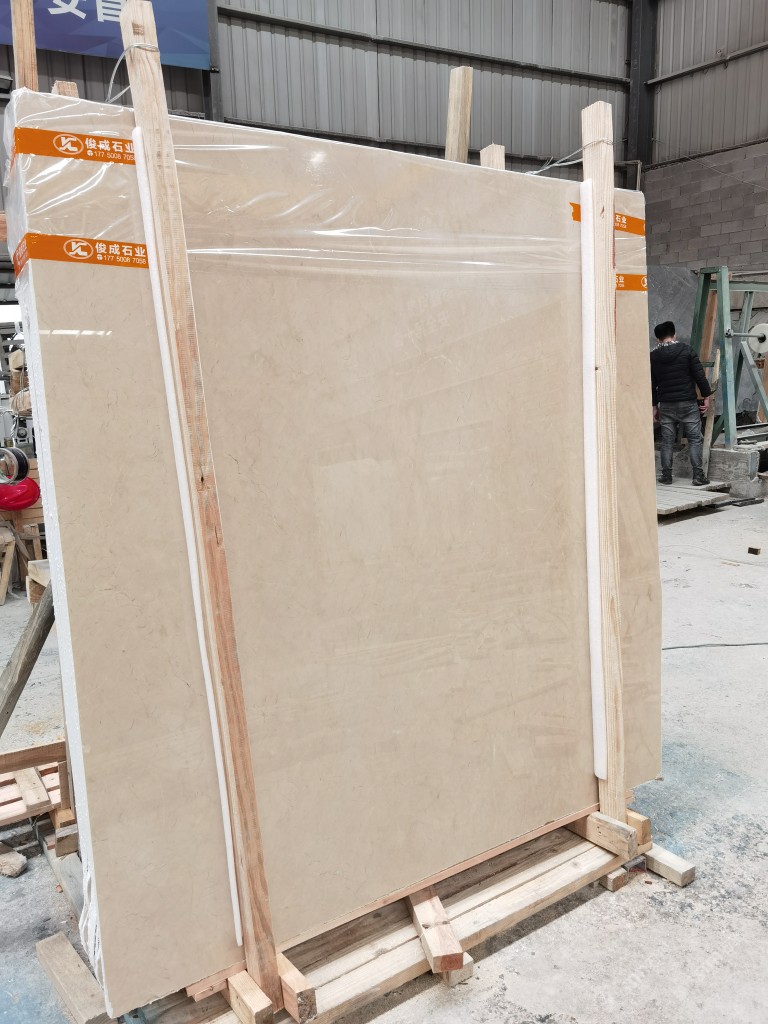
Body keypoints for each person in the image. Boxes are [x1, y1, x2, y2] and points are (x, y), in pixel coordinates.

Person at [650, 321, 712, 486]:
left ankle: (666, 476)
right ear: (674, 335)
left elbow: (652, 383)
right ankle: (698, 476)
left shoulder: (654, 356)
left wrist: (654, 406)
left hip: (667, 405)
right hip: (687, 403)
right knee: (694, 439)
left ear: (658, 339)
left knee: (667, 441)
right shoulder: (686, 350)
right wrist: (706, 396)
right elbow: (699, 375)